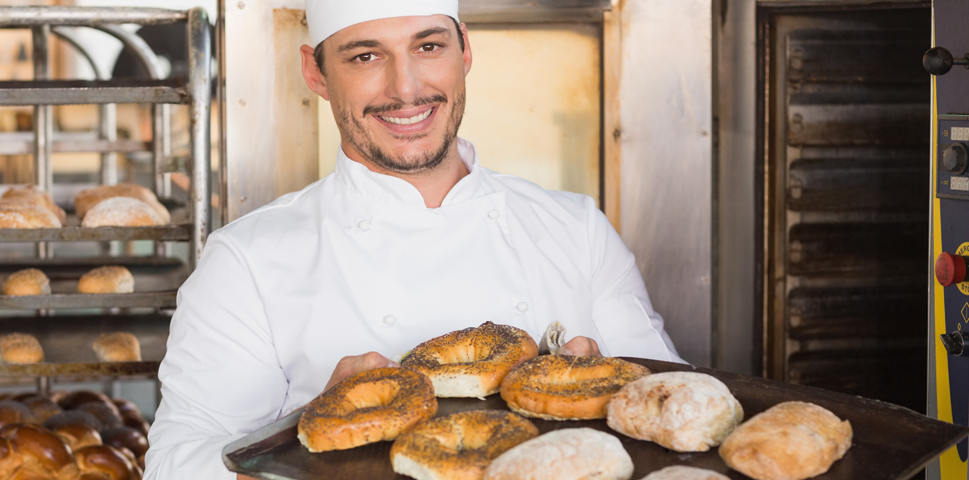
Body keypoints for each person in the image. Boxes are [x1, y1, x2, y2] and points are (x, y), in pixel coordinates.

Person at [143, 0, 683, 478]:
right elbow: (173, 465)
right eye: (365, 56)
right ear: (316, 72)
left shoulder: (575, 227)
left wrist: (613, 391)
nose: (406, 89)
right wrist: (308, 431)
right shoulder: (248, 260)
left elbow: (676, 417)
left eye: (428, 46)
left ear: (464, 49)